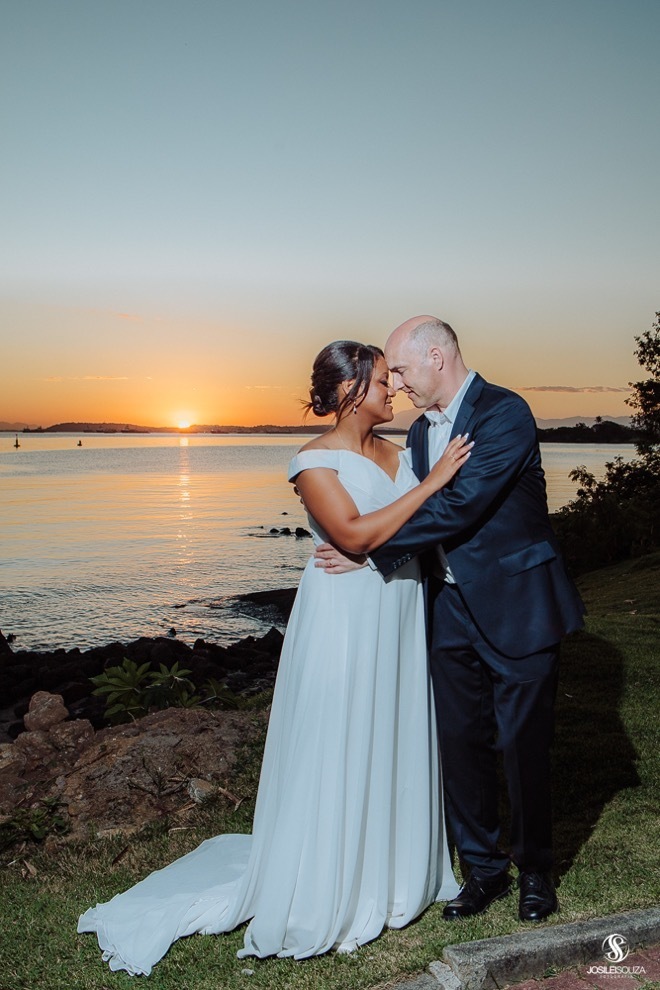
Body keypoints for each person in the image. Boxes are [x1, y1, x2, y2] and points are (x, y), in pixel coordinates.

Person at [77, 341, 470, 974]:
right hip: (344, 616)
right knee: (341, 733)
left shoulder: (402, 454)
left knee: (391, 728)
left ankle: (395, 869)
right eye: (379, 381)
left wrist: (408, 515)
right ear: (348, 391)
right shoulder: (312, 462)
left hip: (398, 609)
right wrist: (427, 489)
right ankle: (335, 876)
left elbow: (417, 529)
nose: (391, 389)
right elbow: (353, 535)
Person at [316, 317, 585, 923]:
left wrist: (367, 551)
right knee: (459, 743)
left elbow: (460, 507)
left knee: (522, 746)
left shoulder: (504, 414)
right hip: (448, 608)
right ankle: (482, 870)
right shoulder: (416, 435)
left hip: (518, 603)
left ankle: (535, 872)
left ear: (436, 357)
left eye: (403, 370)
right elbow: (413, 504)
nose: (399, 383)